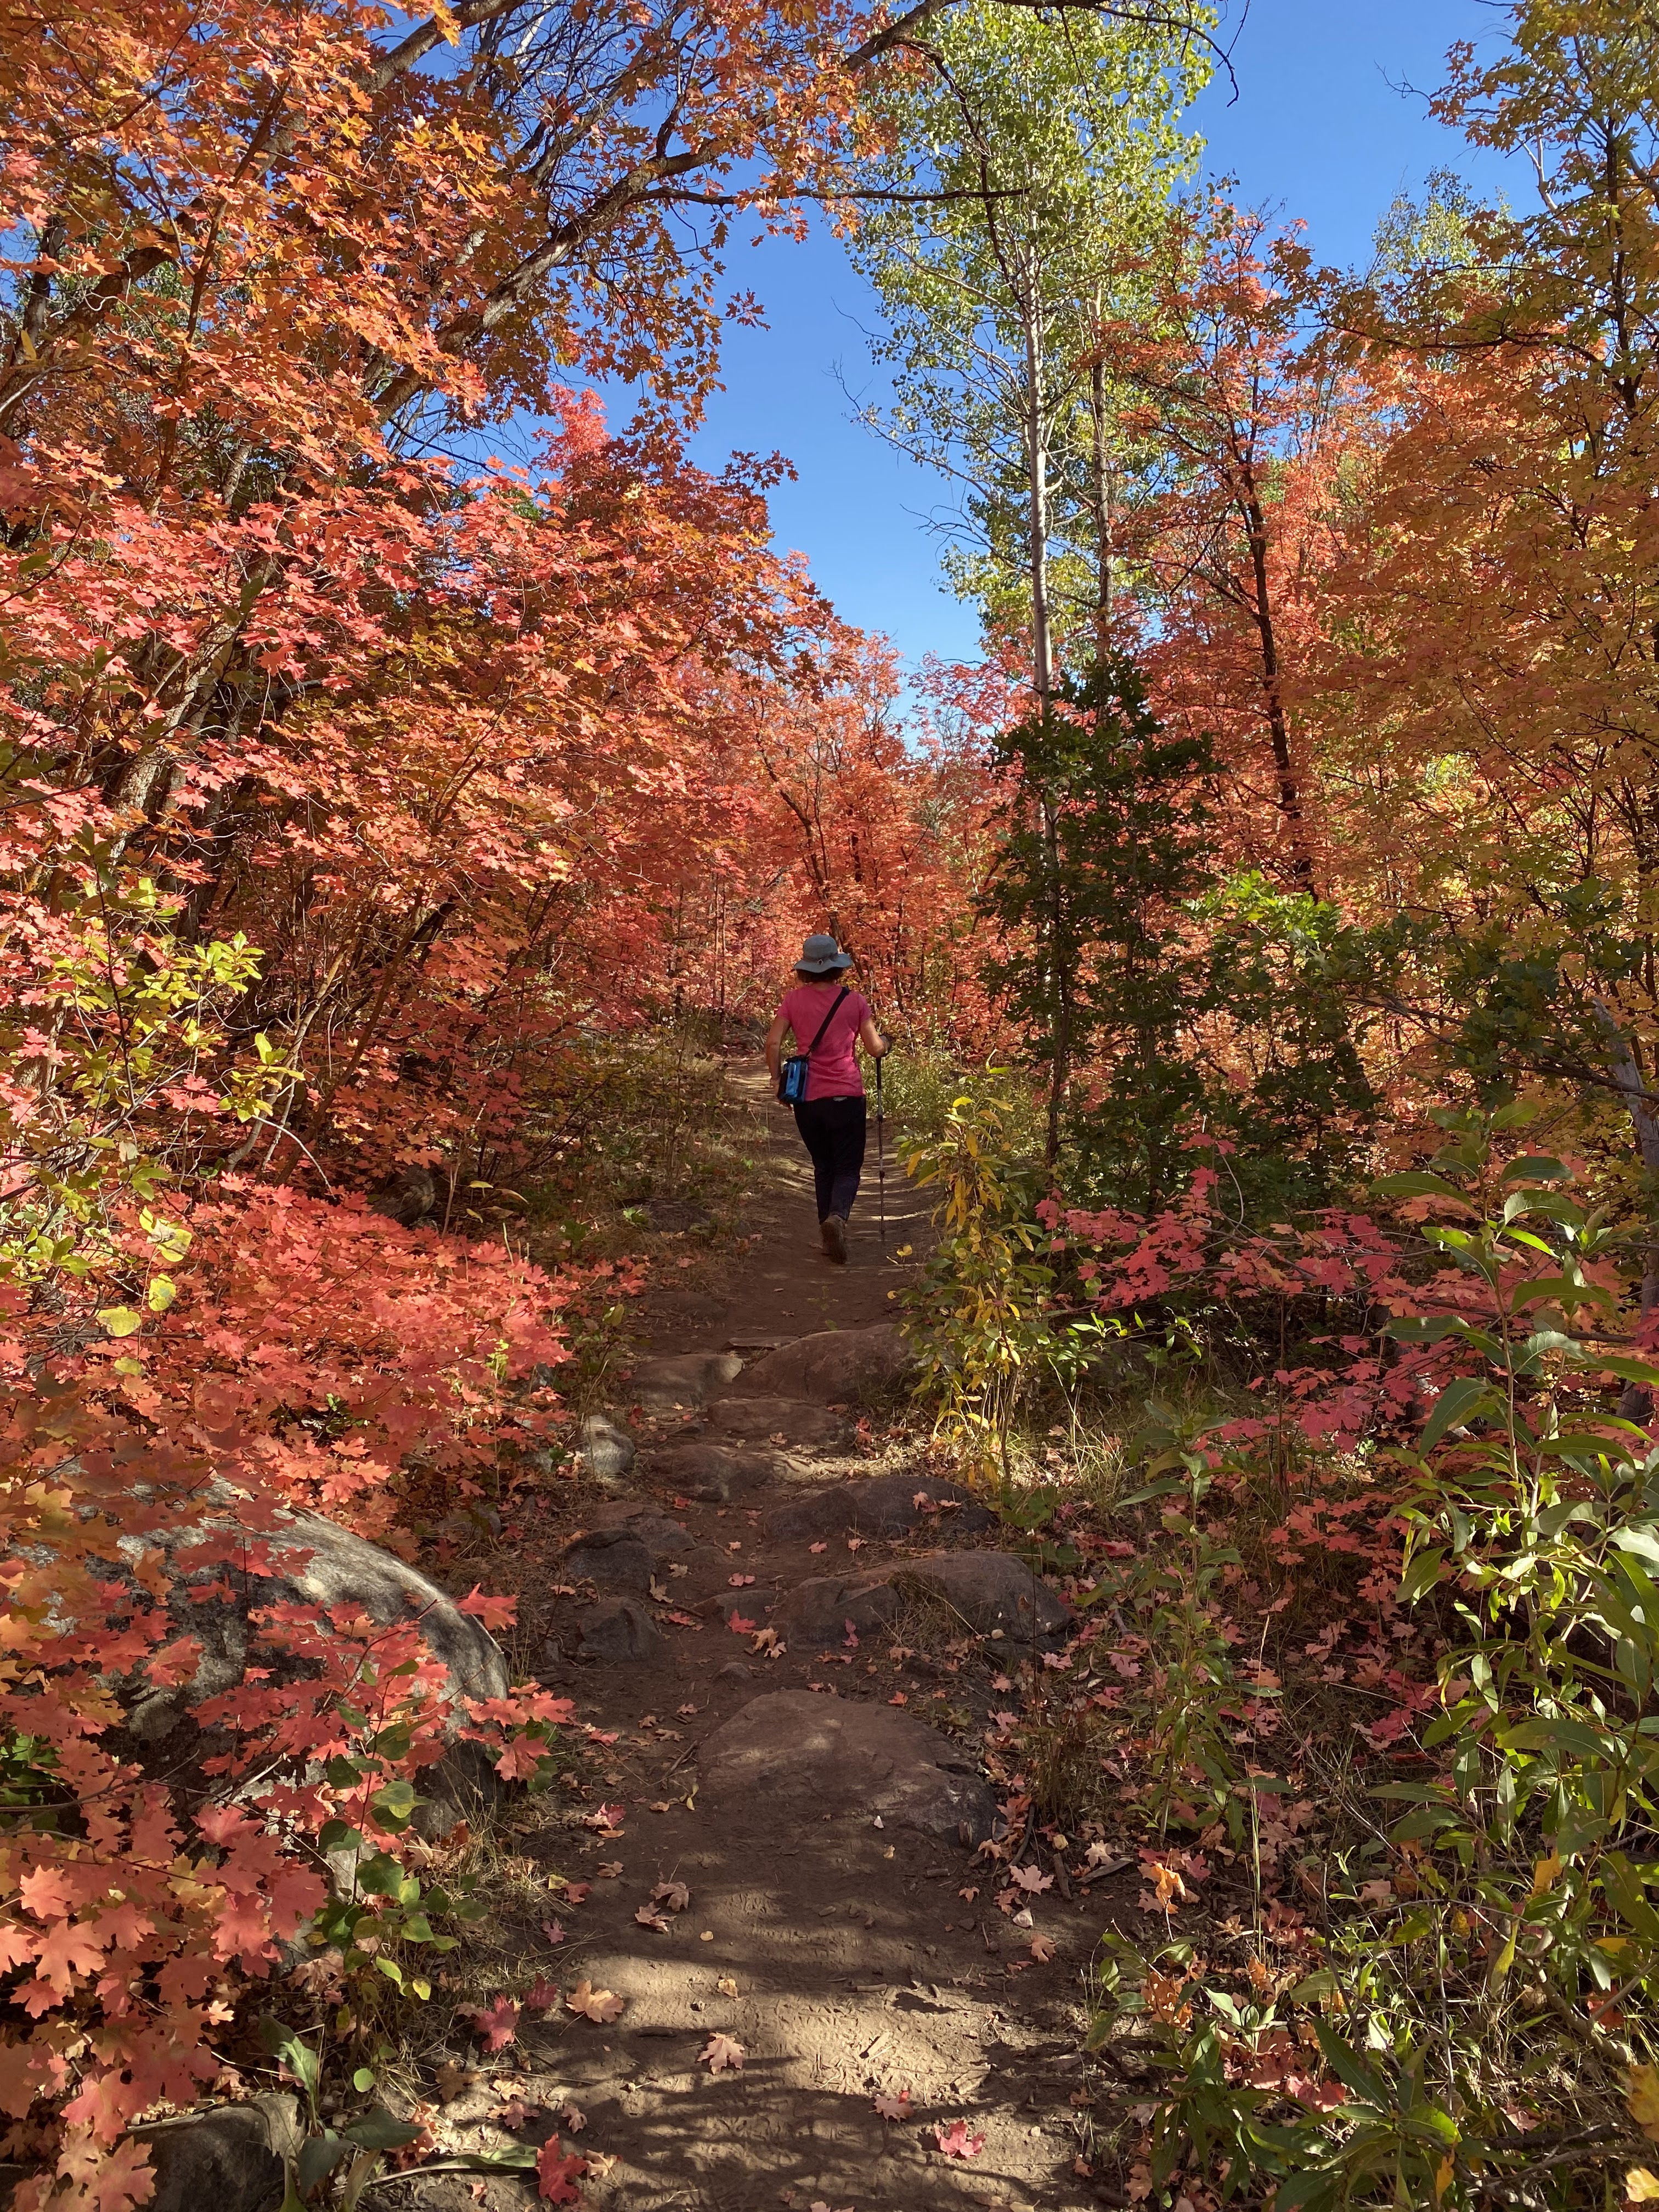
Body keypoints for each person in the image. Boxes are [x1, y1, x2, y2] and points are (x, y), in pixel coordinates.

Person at [764, 934, 888, 1265]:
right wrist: (886, 1044)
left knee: (823, 1165)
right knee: (847, 1167)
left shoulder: (793, 1000)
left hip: (807, 1097)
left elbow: (774, 1043)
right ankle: (838, 1218)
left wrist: (777, 1080)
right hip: (847, 1095)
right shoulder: (855, 1001)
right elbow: (875, 1048)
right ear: (836, 966)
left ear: (806, 968)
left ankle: (826, 1231)